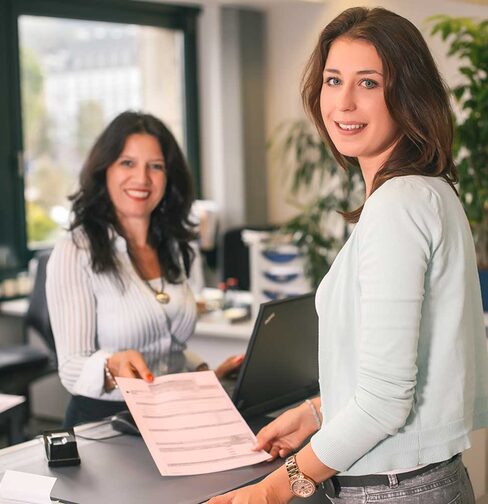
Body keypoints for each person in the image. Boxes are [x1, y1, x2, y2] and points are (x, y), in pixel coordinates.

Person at [209, 7, 488, 504]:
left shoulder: (398, 206)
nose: (343, 102)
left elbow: (385, 402)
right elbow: (407, 373)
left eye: (369, 83)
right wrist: (319, 411)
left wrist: (272, 489)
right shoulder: (431, 193)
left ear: (407, 96)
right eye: (334, 79)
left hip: (396, 492)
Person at [46, 111, 242, 428]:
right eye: (127, 163)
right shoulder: (75, 251)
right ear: (104, 171)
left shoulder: (178, 246)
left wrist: (204, 376)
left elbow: (171, 349)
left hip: (171, 415)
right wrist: (112, 367)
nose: (142, 178)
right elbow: (71, 367)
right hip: (105, 424)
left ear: (169, 176)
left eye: (155, 166)